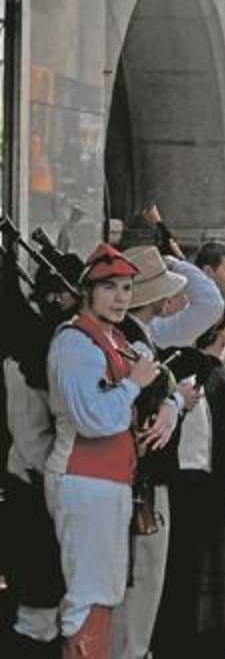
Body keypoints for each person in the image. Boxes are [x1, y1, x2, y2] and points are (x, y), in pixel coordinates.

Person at [45, 244, 165, 657]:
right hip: (83, 477)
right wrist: (134, 383)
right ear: (88, 293)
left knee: (105, 589)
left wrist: (166, 402)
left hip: (107, 480)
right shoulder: (75, 343)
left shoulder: (112, 339)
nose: (120, 297)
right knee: (88, 592)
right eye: (109, 287)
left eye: (127, 288)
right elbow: (92, 418)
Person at [112, 245, 214, 659]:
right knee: (141, 579)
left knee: (141, 580)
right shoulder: (134, 340)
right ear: (158, 298)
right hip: (143, 477)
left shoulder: (142, 335)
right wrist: (175, 402)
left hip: (141, 476)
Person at [151, 310, 225, 658]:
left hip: (191, 482)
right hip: (194, 483)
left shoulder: (207, 375)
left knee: (182, 572)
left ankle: (181, 642)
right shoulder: (209, 376)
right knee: (189, 571)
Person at [1, 249, 82, 657]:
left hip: (49, 486)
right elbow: (30, 436)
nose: (56, 301)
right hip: (34, 490)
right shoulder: (30, 353)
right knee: (38, 605)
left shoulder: (52, 344)